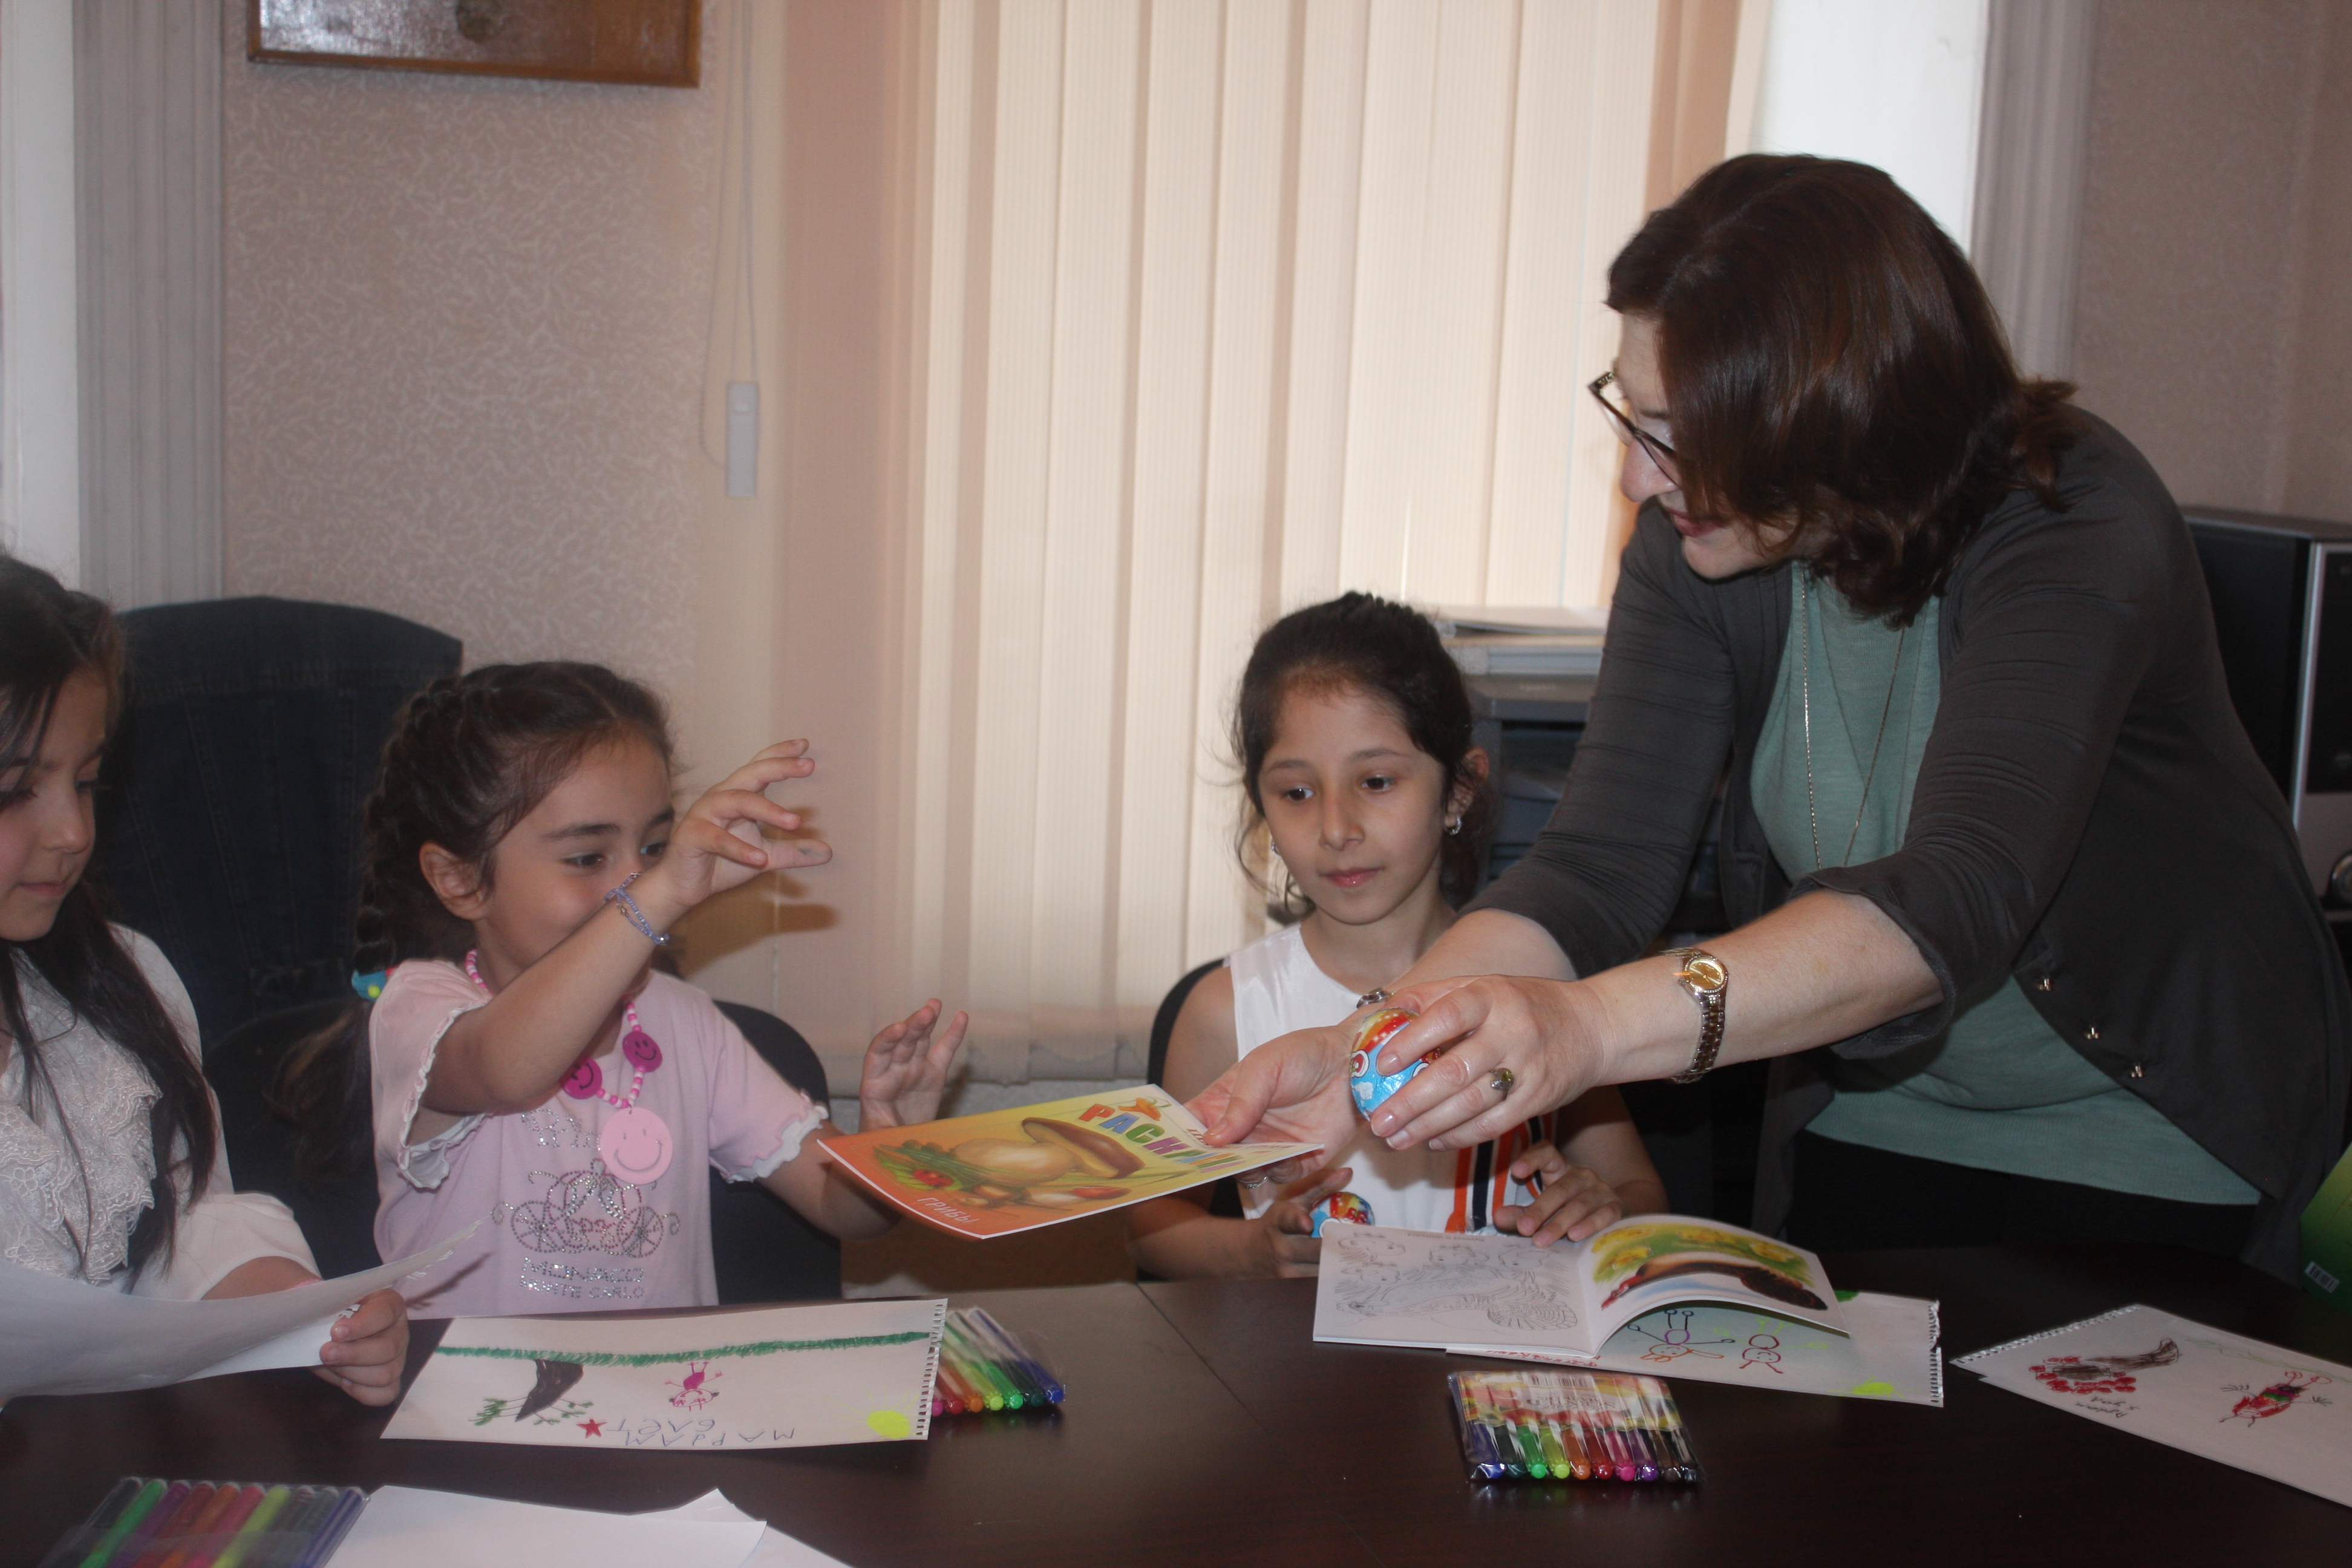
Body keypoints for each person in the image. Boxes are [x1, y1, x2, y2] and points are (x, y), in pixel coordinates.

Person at [1192, 155, 2350, 1281]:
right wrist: (1368, 1045)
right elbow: (1595, 870)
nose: (1637, 478)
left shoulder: (2070, 519)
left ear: (1832, 415)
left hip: (2149, 1112)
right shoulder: (1692, 542)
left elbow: (1955, 891)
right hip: (1888, 1101)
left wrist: (1580, 1029)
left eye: (1680, 436)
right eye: (1631, 414)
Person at [282, 662, 966, 1316]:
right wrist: (655, 896)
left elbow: (839, 1207)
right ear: (460, 880)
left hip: (662, 1395)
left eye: (655, 849)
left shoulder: (687, 1022)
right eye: (588, 857)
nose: (636, 881)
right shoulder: (420, 1009)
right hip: (471, 1394)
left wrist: (890, 1151)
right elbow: (508, 1070)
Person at [1129, 594, 1665, 1278]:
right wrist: (1254, 1250)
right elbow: (1152, 1232)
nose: (1336, 829)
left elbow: (1640, 1192)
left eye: (1376, 781)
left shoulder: (1536, 987)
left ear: (1459, 789)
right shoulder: (1223, 1010)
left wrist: (1599, 1207)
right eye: (1296, 793)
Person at [0, 556, 408, 1401]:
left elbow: (181, 1226)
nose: (72, 831)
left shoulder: (117, 984)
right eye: (14, 791)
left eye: (86, 781)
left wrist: (302, 1312)